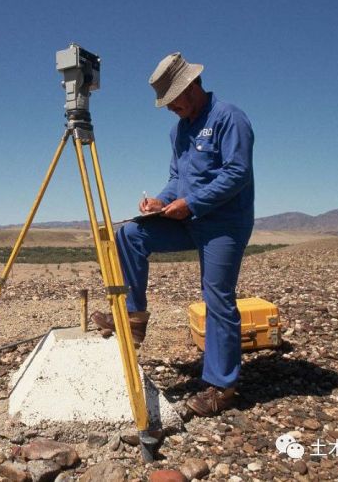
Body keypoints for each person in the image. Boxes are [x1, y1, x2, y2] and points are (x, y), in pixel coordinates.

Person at [91, 52, 255, 417]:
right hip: (189, 217)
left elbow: (237, 173)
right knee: (131, 233)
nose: (170, 109)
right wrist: (159, 201)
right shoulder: (179, 129)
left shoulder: (229, 118)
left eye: (173, 101)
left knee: (217, 297)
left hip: (225, 223)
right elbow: (177, 179)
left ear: (192, 86)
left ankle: (221, 387)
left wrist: (191, 202)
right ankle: (134, 318)